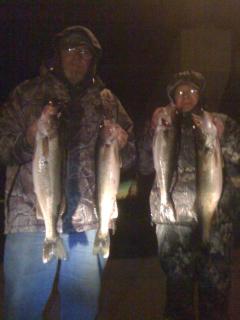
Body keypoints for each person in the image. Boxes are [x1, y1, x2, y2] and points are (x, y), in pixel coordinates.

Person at [0, 25, 136, 320]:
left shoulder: (107, 100)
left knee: (82, 312)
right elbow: (3, 147)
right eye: (70, 50)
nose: (77, 57)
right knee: (20, 310)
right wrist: (28, 139)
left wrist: (123, 145)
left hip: (89, 224)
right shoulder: (27, 93)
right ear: (58, 55)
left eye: (84, 52)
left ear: (93, 60)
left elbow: (133, 155)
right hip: (30, 221)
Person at [138, 70, 240, 320]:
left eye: (192, 91)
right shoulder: (162, 124)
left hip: (217, 224)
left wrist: (223, 135)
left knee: (215, 297)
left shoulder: (219, 122)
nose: (186, 96)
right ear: (172, 97)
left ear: (201, 95)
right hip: (173, 226)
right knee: (178, 298)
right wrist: (152, 132)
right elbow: (143, 166)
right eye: (180, 92)